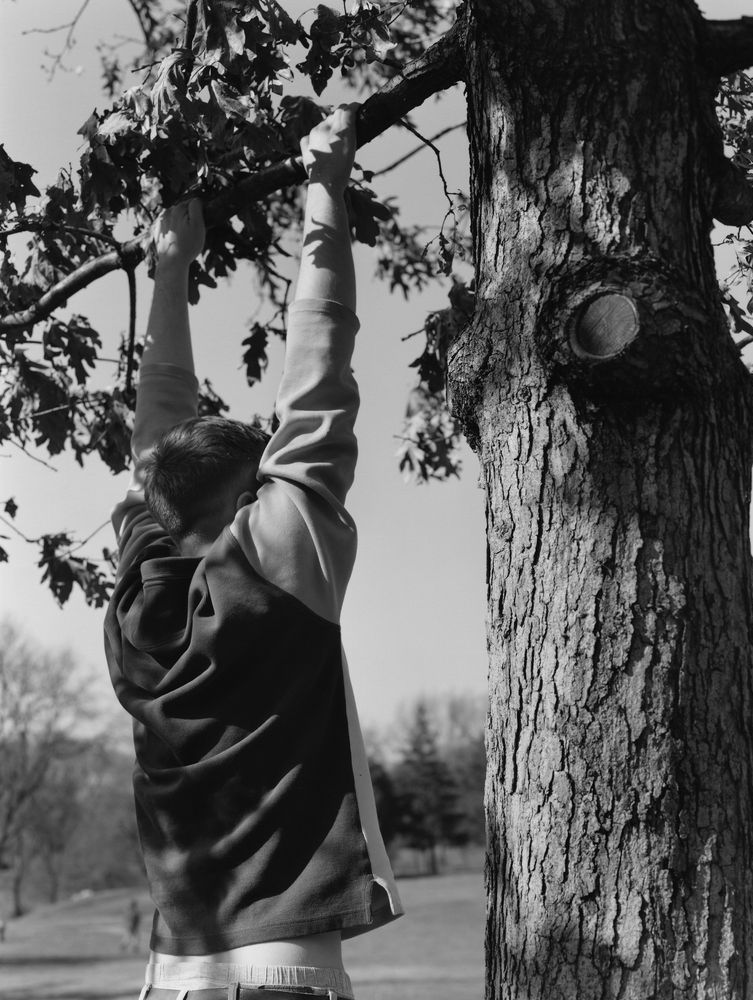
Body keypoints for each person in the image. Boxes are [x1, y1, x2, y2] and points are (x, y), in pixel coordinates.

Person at [103, 105, 402, 1000]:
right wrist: (325, 190)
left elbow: (153, 449)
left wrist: (169, 270)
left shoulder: (136, 611)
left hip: (173, 976)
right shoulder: (273, 568)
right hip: (282, 977)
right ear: (247, 501)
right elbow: (319, 371)